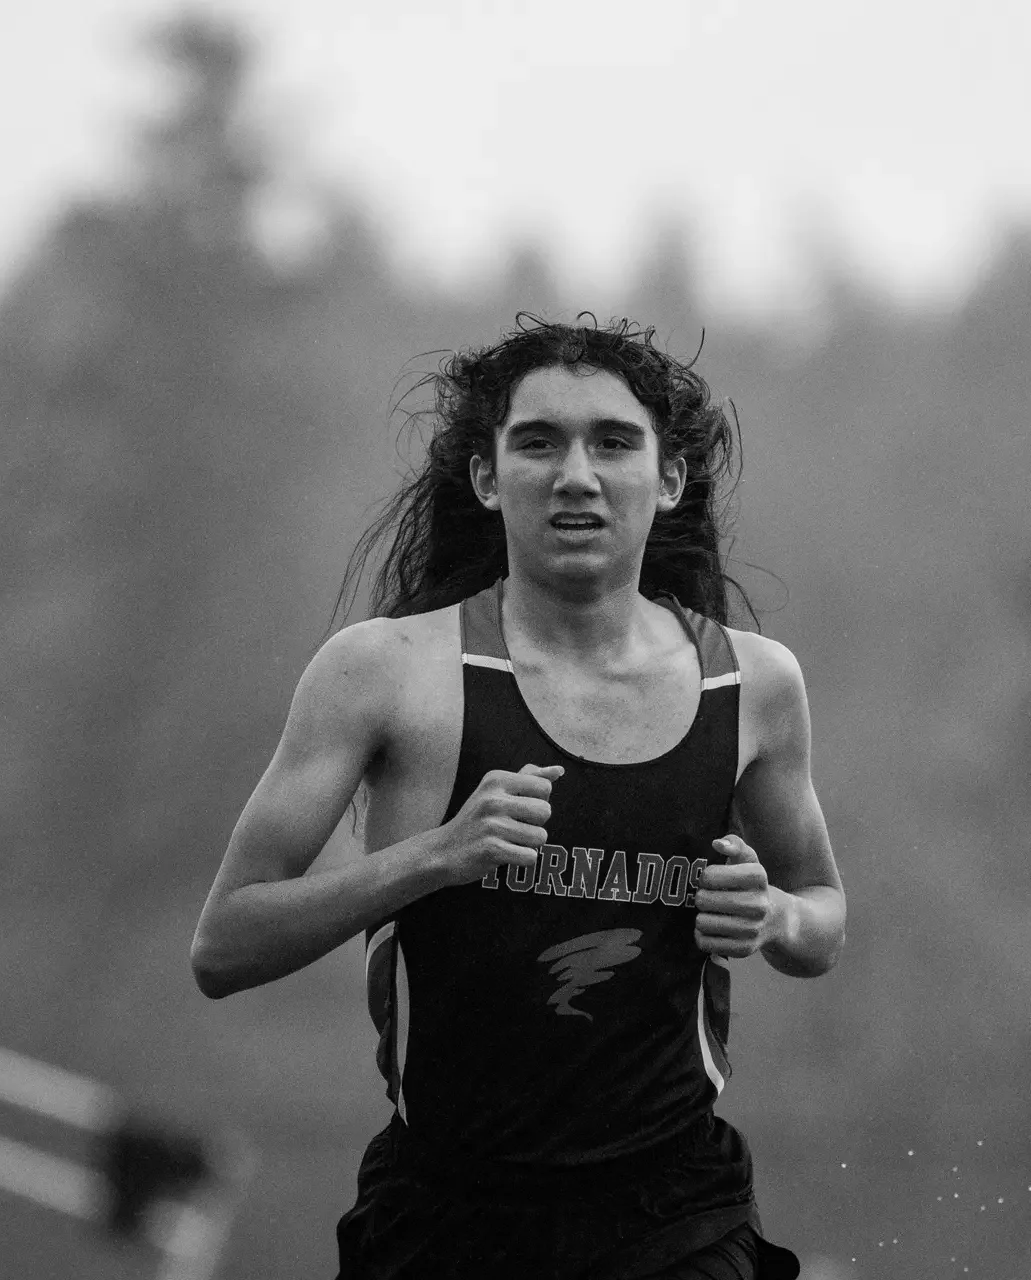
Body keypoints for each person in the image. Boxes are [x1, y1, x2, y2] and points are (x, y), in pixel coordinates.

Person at [191, 315, 845, 1279]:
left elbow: (824, 919)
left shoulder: (751, 685)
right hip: (445, 1216)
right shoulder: (384, 674)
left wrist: (776, 913)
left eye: (613, 443)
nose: (575, 474)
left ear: (668, 481)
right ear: (487, 477)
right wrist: (433, 857)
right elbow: (224, 946)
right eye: (538, 442)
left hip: (675, 1217)